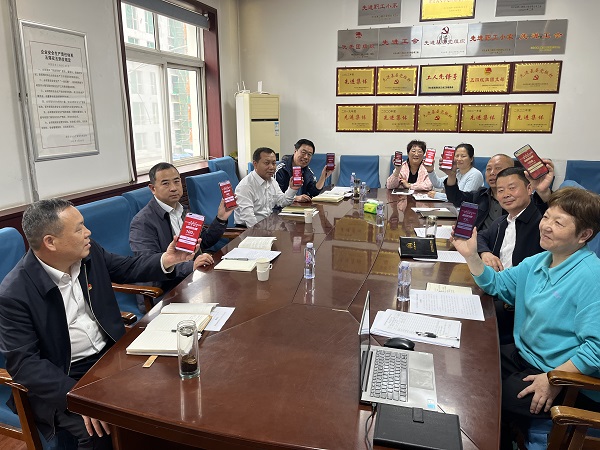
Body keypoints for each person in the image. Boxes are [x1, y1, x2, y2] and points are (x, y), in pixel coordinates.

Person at [0, 199, 197, 449]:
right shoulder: (14, 293)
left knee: (168, 389)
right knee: (98, 431)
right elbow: (25, 364)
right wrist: (78, 397)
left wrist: (167, 260)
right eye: (79, 228)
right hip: (63, 376)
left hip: (109, 357)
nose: (88, 232)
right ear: (50, 242)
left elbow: (127, 268)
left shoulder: (89, 254)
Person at [451, 187, 600, 450]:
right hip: (525, 356)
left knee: (484, 399)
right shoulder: (540, 261)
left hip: (566, 377)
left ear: (584, 235)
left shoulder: (592, 276)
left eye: (559, 223)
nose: (546, 226)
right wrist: (471, 255)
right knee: (468, 365)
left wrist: (553, 378)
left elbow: (596, 350)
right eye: (547, 217)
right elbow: (497, 284)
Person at [129, 162, 234, 308]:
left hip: (193, 279)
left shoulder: (183, 210)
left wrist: (221, 218)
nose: (173, 188)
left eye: (176, 181)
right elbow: (150, 265)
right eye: (165, 183)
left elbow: (204, 241)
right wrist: (191, 266)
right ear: (153, 188)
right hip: (164, 292)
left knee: (232, 291)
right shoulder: (142, 222)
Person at [446, 154, 553, 231]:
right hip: (479, 246)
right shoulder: (480, 195)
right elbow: (456, 198)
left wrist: (543, 192)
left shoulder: (524, 199)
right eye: (488, 169)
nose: (492, 173)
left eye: (498, 168)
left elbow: (549, 212)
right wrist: (451, 175)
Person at [477, 167, 547, 272]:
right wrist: (485, 253)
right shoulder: (500, 223)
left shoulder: (542, 221)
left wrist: (545, 193)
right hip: (498, 278)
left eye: (512, 188)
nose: (506, 195)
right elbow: (480, 236)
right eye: (500, 190)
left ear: (529, 189)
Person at [235, 147, 301, 227]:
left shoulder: (272, 181)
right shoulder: (245, 186)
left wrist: (292, 189)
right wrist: (264, 233)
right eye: (267, 163)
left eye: (274, 163)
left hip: (268, 225)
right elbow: (249, 220)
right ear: (255, 164)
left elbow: (282, 202)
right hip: (248, 229)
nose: (272, 167)